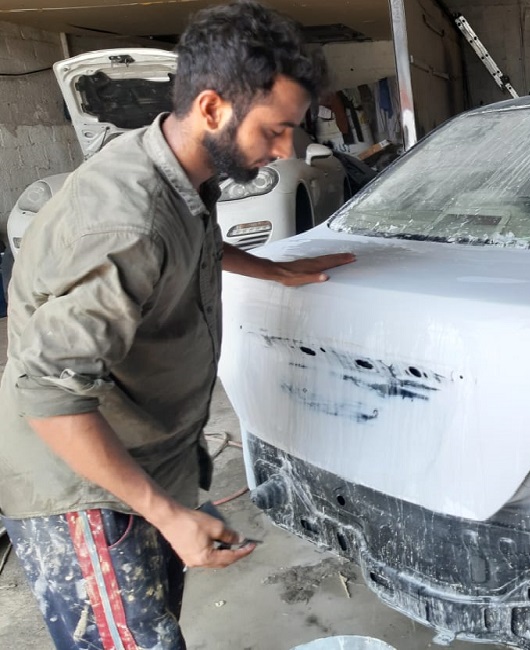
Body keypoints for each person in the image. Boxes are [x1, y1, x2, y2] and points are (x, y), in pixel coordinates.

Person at [0, 2, 355, 648]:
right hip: (84, 490)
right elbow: (47, 393)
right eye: (275, 130)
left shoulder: (181, 169)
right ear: (212, 108)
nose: (285, 150)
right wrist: (165, 512)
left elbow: (193, 244)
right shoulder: (128, 219)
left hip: (143, 457)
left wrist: (278, 272)